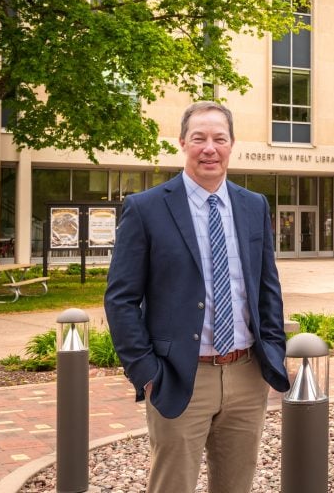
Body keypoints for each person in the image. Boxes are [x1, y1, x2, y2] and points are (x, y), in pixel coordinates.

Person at [105, 101, 289, 492]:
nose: (210, 148)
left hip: (246, 374)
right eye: (199, 138)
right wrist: (146, 373)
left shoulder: (253, 205)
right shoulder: (145, 208)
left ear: (232, 144)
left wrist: (272, 351)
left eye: (219, 139)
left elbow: (266, 288)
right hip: (177, 377)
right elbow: (120, 299)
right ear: (182, 143)